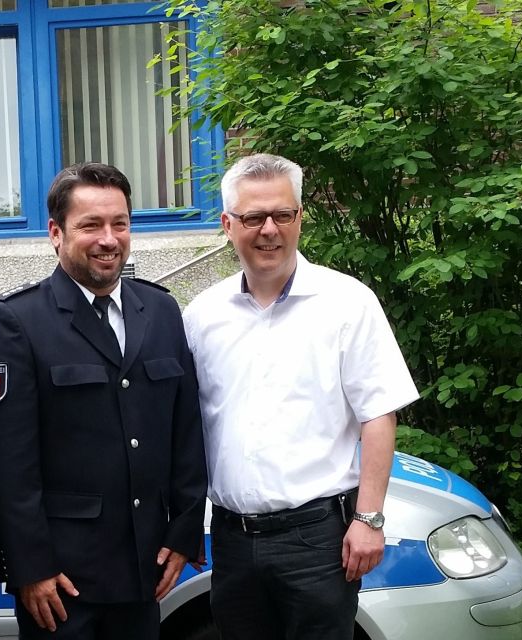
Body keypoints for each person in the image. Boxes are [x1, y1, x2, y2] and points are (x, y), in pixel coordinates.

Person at [182, 154, 420, 640]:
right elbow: (185, 423)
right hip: (230, 539)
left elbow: (379, 413)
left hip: (316, 541)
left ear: (299, 219)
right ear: (228, 224)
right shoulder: (203, 315)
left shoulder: (348, 303)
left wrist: (369, 519)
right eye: (253, 217)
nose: (269, 229)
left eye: (282, 215)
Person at [0, 162, 207, 639]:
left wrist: (183, 533)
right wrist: (30, 567)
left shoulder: (161, 311)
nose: (109, 239)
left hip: (146, 571)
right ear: (56, 233)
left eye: (120, 224)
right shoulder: (19, 321)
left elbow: (185, 432)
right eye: (91, 225)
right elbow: (7, 462)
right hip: (61, 585)